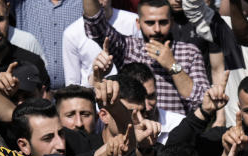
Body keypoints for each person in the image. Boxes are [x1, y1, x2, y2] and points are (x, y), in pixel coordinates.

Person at [82, 0, 210, 114]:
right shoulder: (128, 48)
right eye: (150, 23)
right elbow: (95, 24)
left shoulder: (189, 52)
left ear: (171, 22)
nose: (157, 29)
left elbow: (203, 101)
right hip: (135, 128)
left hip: (176, 132)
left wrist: (173, 66)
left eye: (163, 22)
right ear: (138, 23)